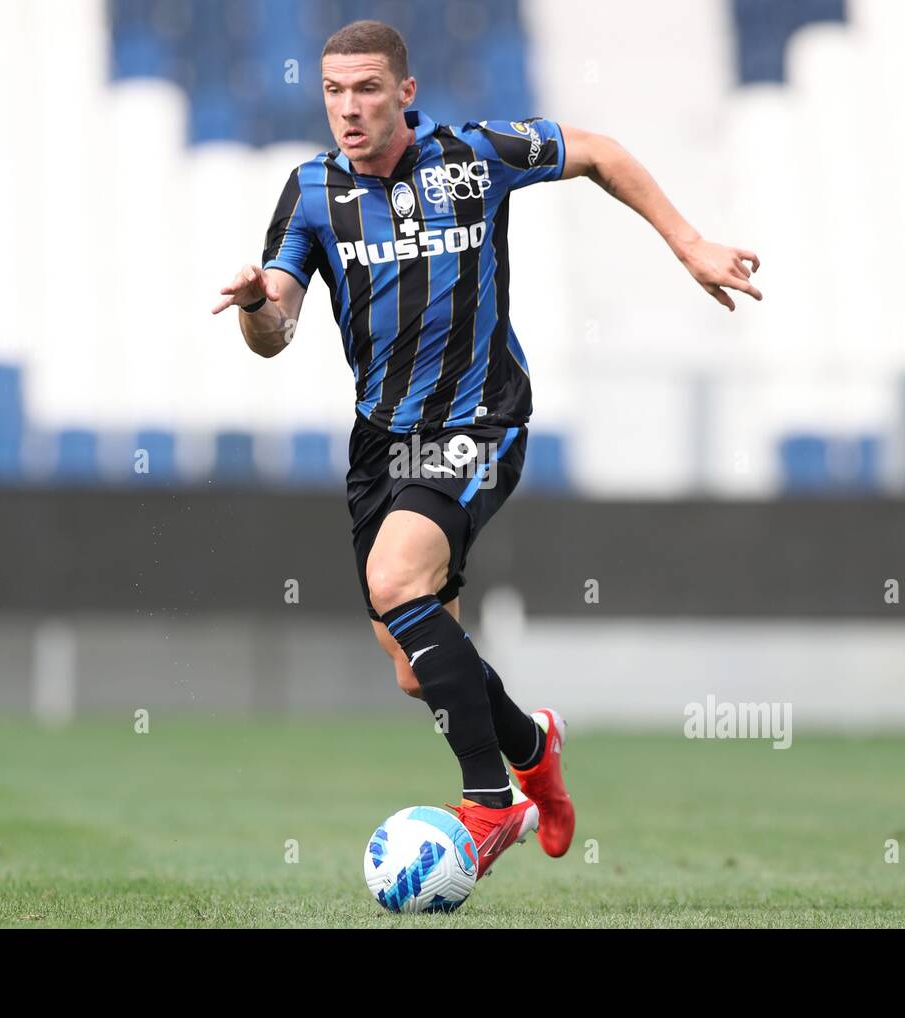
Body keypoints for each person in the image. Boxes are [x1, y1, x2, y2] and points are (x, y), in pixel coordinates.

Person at [212, 20, 761, 880]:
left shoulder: (473, 157)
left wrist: (688, 244)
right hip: (380, 446)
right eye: (333, 92)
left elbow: (601, 152)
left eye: (365, 90)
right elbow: (274, 330)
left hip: (480, 421)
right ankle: (534, 747)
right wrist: (256, 304)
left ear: (405, 92)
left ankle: (489, 804)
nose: (347, 110)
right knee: (415, 669)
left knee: (395, 582)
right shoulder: (310, 191)